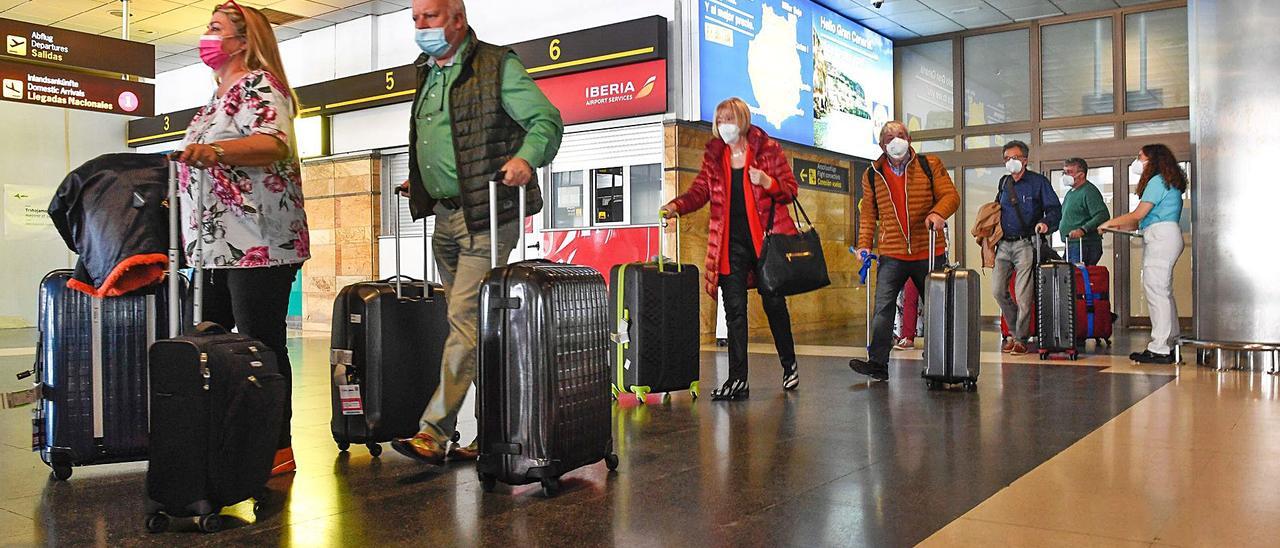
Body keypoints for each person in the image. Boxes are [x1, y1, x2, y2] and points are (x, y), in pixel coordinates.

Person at [390, 0, 563, 465]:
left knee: (466, 321)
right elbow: (441, 140)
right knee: (474, 329)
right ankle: (495, 429)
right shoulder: (426, 71)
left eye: (428, 17)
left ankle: (434, 432)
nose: (419, 26)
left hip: (488, 213)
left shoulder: (496, 65)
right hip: (445, 215)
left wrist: (528, 157)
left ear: (457, 19)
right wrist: (423, 182)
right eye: (414, 19)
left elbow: (547, 120)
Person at [174, 0, 308, 476]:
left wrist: (212, 150)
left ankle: (277, 445)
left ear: (244, 40)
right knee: (206, 340)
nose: (206, 37)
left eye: (216, 28)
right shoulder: (215, 98)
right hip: (214, 245)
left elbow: (273, 143)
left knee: (260, 341)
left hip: (259, 241)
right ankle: (227, 435)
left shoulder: (261, 85)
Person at [660, 97, 799, 400]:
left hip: (765, 242)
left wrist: (767, 182)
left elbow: (790, 190)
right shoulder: (715, 156)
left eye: (730, 119)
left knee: (774, 306)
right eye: (720, 120)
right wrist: (676, 206)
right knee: (734, 310)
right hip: (729, 245)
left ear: (743, 120)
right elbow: (700, 191)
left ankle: (789, 366)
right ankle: (738, 380)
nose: (725, 126)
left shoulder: (767, 150)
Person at [848, 121, 959, 381]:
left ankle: (940, 362)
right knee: (883, 308)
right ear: (881, 144)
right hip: (892, 251)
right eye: (889, 137)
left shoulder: (929, 165)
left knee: (937, 309)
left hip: (928, 249)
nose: (895, 140)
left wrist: (937, 213)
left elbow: (950, 196)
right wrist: (864, 244)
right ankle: (877, 363)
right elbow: (868, 215)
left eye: (900, 135)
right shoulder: (872, 174)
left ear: (909, 139)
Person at [1100, 145, 1187, 364]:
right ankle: (1170, 343)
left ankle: (1160, 347)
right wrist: (1116, 226)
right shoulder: (1168, 182)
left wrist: (1109, 222)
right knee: (1163, 292)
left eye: (1140, 157)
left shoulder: (1157, 181)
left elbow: (1138, 214)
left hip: (1161, 238)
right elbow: (1139, 222)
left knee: (1157, 292)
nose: (1137, 161)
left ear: (1153, 159)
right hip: (1165, 235)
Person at [991, 140, 1061, 355]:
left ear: (1025, 160)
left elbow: (1054, 209)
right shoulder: (1004, 183)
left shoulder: (1038, 182)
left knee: (1023, 294)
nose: (1011, 162)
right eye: (1007, 158)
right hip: (1003, 244)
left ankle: (1020, 338)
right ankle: (1012, 332)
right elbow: (996, 209)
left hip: (1026, 243)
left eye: (1015, 157)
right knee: (997, 291)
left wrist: (1046, 223)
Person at [1058, 157, 1110, 265]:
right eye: (1064, 172)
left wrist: (1083, 229)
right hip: (1072, 243)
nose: (1065, 175)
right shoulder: (1070, 193)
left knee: (1077, 279)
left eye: (1069, 172)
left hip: (1084, 244)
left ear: (1081, 175)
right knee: (1071, 278)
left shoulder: (1088, 191)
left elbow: (1102, 214)